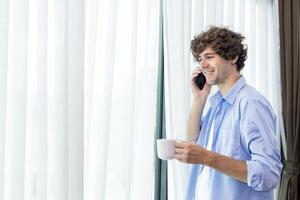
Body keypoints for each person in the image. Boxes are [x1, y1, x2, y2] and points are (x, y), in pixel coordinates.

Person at [174, 26, 282, 200]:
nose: (202, 64)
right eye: (200, 58)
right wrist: (199, 99)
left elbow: (269, 174)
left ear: (233, 57)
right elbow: (193, 138)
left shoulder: (250, 104)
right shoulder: (216, 104)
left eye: (209, 57)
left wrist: (207, 158)